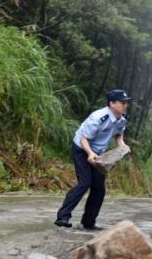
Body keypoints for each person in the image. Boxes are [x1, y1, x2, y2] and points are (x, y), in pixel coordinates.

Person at [55, 89, 131, 230]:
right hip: (82, 148)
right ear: (112, 103)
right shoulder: (98, 117)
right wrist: (90, 153)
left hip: (98, 154)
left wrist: (123, 147)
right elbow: (84, 138)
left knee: (99, 188)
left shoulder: (122, 119)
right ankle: (63, 217)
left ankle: (88, 222)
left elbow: (119, 135)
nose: (126, 105)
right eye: (123, 102)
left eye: (126, 102)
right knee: (85, 182)